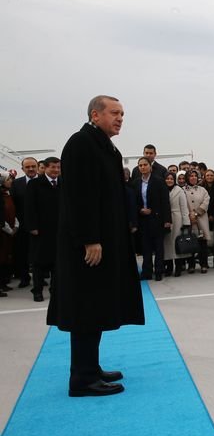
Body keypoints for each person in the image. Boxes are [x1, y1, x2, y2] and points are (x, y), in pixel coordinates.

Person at [47, 95, 143, 397]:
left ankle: (91, 366)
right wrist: (90, 239)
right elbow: (79, 197)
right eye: (114, 113)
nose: (120, 119)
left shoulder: (103, 146)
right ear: (95, 114)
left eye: (123, 114)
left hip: (105, 241)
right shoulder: (80, 144)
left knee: (97, 305)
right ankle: (83, 378)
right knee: (86, 307)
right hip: (89, 245)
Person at [24, 156, 61, 301]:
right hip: (40, 230)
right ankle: (37, 291)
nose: (56, 170)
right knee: (39, 263)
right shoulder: (34, 184)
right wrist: (32, 226)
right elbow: (29, 207)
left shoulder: (63, 183)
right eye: (53, 167)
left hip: (58, 230)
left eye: (58, 167)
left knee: (57, 263)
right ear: (45, 168)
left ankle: (55, 289)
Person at [130, 157, 171, 281]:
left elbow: (165, 201)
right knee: (145, 247)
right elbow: (134, 202)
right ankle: (147, 271)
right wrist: (140, 210)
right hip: (143, 220)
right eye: (140, 165)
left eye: (145, 165)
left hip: (157, 218)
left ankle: (159, 271)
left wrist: (167, 220)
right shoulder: (136, 183)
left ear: (150, 166)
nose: (142, 167)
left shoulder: (159, 181)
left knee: (158, 247)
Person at [10, 156, 38, 288]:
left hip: (41, 226)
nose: (31, 169)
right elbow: (13, 205)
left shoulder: (46, 182)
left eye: (33, 166)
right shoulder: (16, 184)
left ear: (37, 167)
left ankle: (40, 277)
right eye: (27, 167)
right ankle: (24, 277)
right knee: (22, 252)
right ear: (22, 169)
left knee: (40, 252)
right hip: (22, 225)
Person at [162, 172, 190, 277]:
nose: (169, 180)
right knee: (167, 245)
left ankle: (178, 267)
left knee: (177, 244)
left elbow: (184, 207)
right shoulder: (162, 189)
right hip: (165, 220)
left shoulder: (179, 191)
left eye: (171, 179)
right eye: (167, 178)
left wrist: (186, 222)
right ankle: (169, 267)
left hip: (177, 219)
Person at [184, 170, 211, 273]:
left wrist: (197, 213)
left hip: (201, 219)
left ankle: (203, 264)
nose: (193, 178)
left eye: (195, 176)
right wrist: (190, 215)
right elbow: (182, 204)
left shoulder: (202, 190)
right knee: (190, 242)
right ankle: (191, 265)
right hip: (189, 220)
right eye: (191, 176)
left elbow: (206, 202)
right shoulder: (183, 190)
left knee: (202, 243)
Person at [1, 172, 19, 296]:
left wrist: (16, 225)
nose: (11, 181)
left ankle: (3, 283)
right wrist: (8, 229)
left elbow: (13, 211)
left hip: (9, 233)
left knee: (6, 258)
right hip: (3, 233)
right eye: (8, 179)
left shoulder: (8, 195)